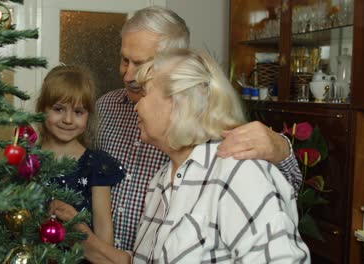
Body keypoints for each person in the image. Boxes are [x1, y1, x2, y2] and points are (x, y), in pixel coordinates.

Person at [51, 49, 310, 263]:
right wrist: (88, 242)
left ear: (178, 102)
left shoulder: (237, 172)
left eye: (145, 93)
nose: (137, 104)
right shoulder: (161, 182)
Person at [96, 5, 302, 251]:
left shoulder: (209, 126)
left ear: (175, 65)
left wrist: (281, 149)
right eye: (124, 59)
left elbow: (272, 191)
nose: (128, 74)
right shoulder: (104, 109)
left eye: (139, 64)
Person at [36, 65, 125, 245]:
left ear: (88, 115)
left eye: (78, 112)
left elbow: (103, 231)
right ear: (42, 109)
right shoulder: (28, 161)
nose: (68, 120)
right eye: (58, 109)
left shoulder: (97, 165)